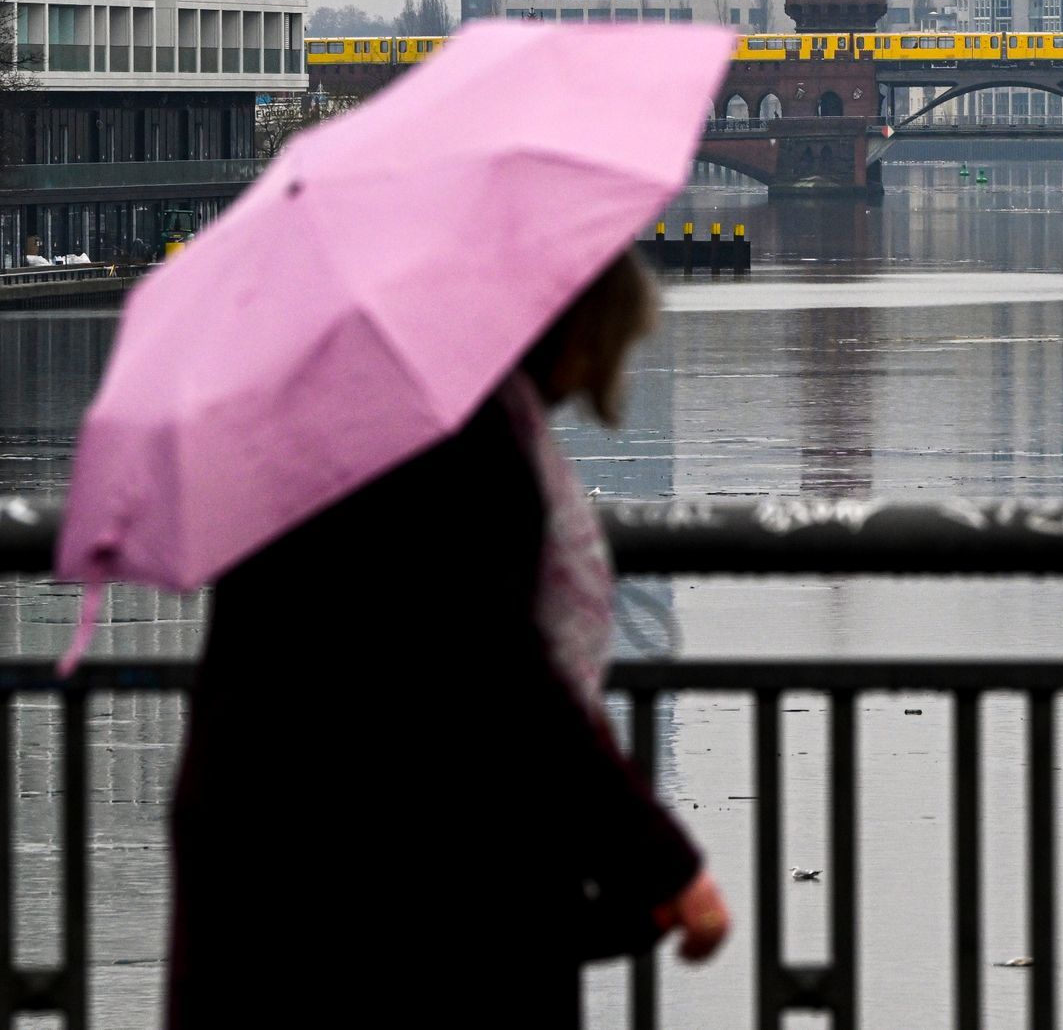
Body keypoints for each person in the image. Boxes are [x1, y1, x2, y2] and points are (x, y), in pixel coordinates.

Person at [167, 252, 726, 1027]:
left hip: (270, 860)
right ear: (570, 332)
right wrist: (664, 865)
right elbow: (503, 674)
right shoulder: (460, 442)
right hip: (372, 889)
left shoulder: (350, 413)